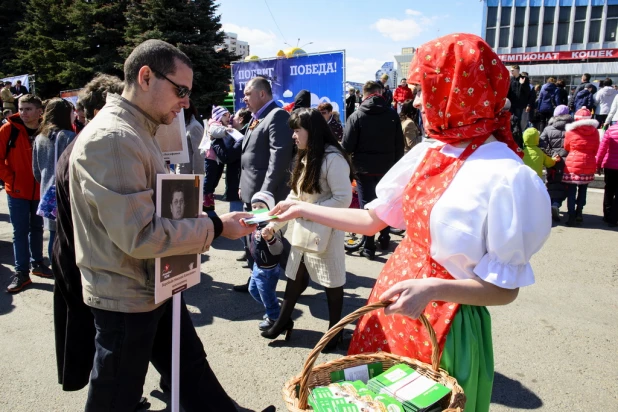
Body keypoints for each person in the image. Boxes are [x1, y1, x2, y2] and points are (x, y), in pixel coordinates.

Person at [268, 33, 551, 411]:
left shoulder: (507, 175)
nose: (415, 101)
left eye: (423, 90)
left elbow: (503, 289)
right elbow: (372, 220)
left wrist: (433, 287)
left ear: (456, 91)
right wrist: (302, 210)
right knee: (372, 401)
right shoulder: (429, 151)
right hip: (392, 305)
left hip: (448, 322)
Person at [68, 39, 255, 411]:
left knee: (189, 368)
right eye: (180, 90)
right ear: (145, 77)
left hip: (154, 282)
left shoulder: (139, 129)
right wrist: (215, 226)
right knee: (116, 393)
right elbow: (141, 235)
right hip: (128, 293)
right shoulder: (116, 138)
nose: (185, 101)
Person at [52, 74, 125, 392]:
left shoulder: (86, 143)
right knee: (101, 350)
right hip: (86, 264)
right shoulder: (93, 146)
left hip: (82, 258)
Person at [260, 108, 353, 352]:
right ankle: (283, 321)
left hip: (327, 233)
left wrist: (305, 209)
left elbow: (343, 198)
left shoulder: (333, 158)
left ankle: (335, 331)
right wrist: (273, 225)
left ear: (311, 131)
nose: (293, 135)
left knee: (332, 284)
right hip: (303, 232)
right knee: (294, 280)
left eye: (296, 130)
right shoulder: (306, 155)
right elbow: (294, 196)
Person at [234, 76, 294, 291]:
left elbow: (279, 157)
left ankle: (294, 282)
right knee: (253, 240)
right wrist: (243, 185)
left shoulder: (276, 116)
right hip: (251, 192)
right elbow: (249, 157)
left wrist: (265, 193)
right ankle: (255, 280)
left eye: (248, 93)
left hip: (264, 197)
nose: (244, 98)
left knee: (271, 240)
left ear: (262, 93)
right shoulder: (255, 117)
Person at [342, 80, 404, 260]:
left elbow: (347, 146)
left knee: (366, 206)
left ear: (365, 93)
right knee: (385, 203)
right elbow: (399, 146)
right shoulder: (392, 114)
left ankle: (369, 246)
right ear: (379, 92)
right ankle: (384, 237)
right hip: (387, 169)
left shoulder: (357, 115)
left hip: (363, 170)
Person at [0, 94, 53, 293]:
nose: (23, 113)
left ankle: (37, 264)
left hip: (40, 191)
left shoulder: (46, 129)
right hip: (17, 192)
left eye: (28, 109)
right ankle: (22, 272)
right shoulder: (8, 129)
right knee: (19, 232)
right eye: (21, 109)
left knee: (37, 228)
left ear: (40, 111)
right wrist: (11, 179)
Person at [32, 98, 76, 261]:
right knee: (68, 237)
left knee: (53, 236)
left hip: (47, 193)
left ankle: (55, 272)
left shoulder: (39, 138)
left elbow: (36, 170)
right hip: (65, 193)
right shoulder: (69, 136)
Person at [247, 191, 284, 331]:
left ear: (270, 208)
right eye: (254, 206)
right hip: (257, 265)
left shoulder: (272, 226)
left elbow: (278, 249)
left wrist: (270, 238)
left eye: (261, 206)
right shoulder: (254, 223)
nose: (257, 209)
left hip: (268, 269)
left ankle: (274, 317)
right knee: (253, 290)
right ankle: (274, 307)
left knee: (267, 294)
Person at [562, 107, 600, 226]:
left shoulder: (571, 131)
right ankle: (579, 213)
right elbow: (596, 148)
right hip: (589, 162)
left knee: (571, 190)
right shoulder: (595, 132)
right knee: (583, 189)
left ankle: (571, 215)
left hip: (573, 162)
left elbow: (566, 147)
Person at [540, 105, 573, 221]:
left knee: (552, 182)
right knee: (564, 185)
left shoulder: (548, 129)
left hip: (553, 161)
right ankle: (557, 204)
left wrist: (552, 154)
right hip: (569, 161)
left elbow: (542, 143)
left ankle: (551, 204)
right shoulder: (572, 128)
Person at [212, 108, 250, 203]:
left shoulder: (242, 137)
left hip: (236, 188)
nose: (231, 119)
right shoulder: (238, 134)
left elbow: (227, 157)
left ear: (240, 120)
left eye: (234, 116)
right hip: (236, 186)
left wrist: (214, 141)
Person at [202, 105, 230, 211]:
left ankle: (210, 194)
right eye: (225, 115)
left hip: (218, 159)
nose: (228, 118)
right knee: (209, 178)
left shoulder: (221, 125)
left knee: (216, 178)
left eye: (229, 115)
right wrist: (227, 130)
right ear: (218, 116)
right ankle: (205, 196)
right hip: (211, 158)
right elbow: (215, 132)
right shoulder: (214, 124)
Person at [597, 122, 618, 227]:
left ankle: (607, 215)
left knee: (609, 190)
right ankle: (614, 218)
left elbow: (602, 148)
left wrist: (598, 164)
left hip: (609, 165)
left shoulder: (611, 129)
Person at [177, 100, 205, 175]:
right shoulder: (184, 125)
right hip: (182, 172)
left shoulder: (194, 126)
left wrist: (197, 177)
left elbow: (199, 154)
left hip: (190, 175)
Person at [507, 65, 531, 131]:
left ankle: (518, 133)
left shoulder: (524, 79)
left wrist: (522, 84)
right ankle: (512, 131)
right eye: (511, 70)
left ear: (517, 70)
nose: (511, 72)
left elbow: (527, 92)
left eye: (512, 70)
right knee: (510, 119)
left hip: (519, 104)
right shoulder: (511, 79)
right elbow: (508, 91)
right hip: (511, 103)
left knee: (518, 120)